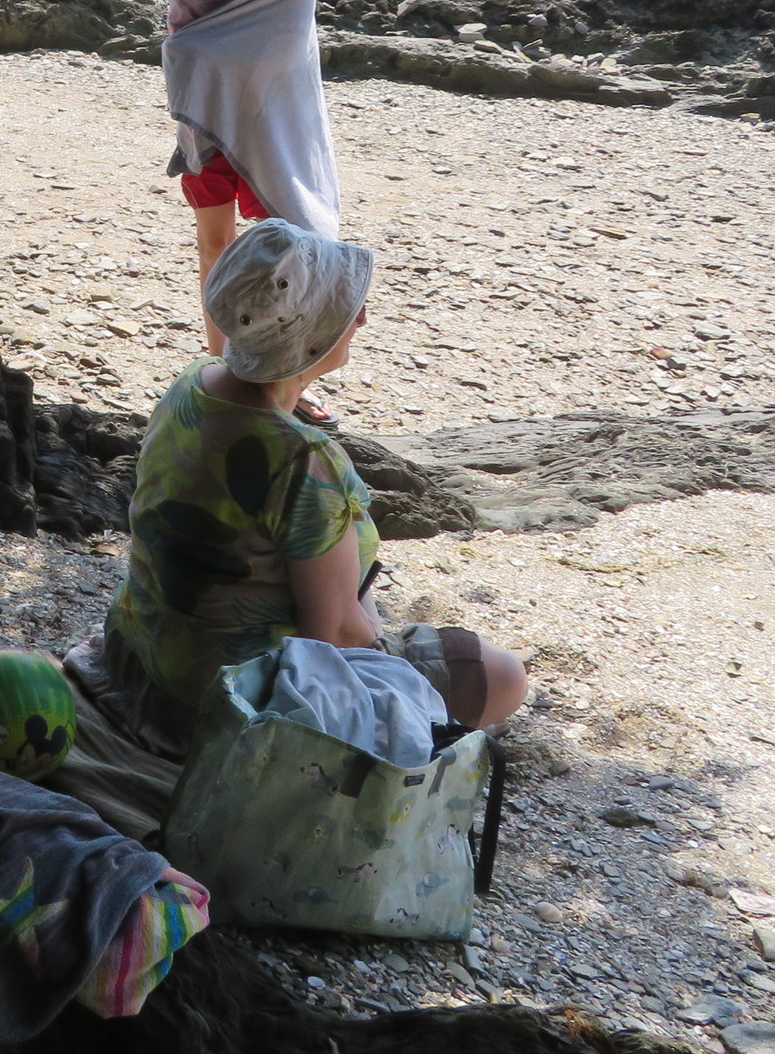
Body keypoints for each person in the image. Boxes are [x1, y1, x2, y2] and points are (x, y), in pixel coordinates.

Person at [87, 217, 527, 755]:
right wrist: (388, 656)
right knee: (504, 676)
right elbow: (334, 637)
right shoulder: (303, 459)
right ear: (309, 336)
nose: (361, 318)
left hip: (143, 659)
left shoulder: (191, 384)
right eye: (344, 309)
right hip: (229, 702)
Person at [163, 0, 341, 362]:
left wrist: (219, 55)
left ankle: (275, 368)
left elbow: (283, 54)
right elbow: (181, 52)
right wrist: (226, 56)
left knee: (285, 253)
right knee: (215, 247)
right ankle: (222, 364)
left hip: (273, 126)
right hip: (208, 125)